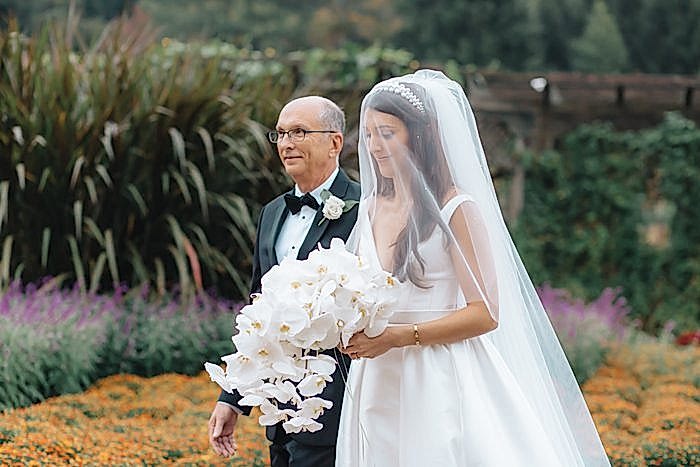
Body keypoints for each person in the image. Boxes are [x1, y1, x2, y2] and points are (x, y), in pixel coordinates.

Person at [336, 70, 610, 466]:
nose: (375, 146)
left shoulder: (456, 209)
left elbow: (485, 314)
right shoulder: (371, 206)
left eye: (387, 133)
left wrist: (399, 337)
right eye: (368, 134)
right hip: (378, 377)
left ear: (420, 135)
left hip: (439, 373)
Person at [208, 96, 360, 467]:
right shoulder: (272, 212)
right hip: (279, 405)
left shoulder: (366, 208)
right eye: (280, 133)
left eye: (299, 132)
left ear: (334, 142)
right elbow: (259, 308)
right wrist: (233, 396)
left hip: (340, 397)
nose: (286, 143)